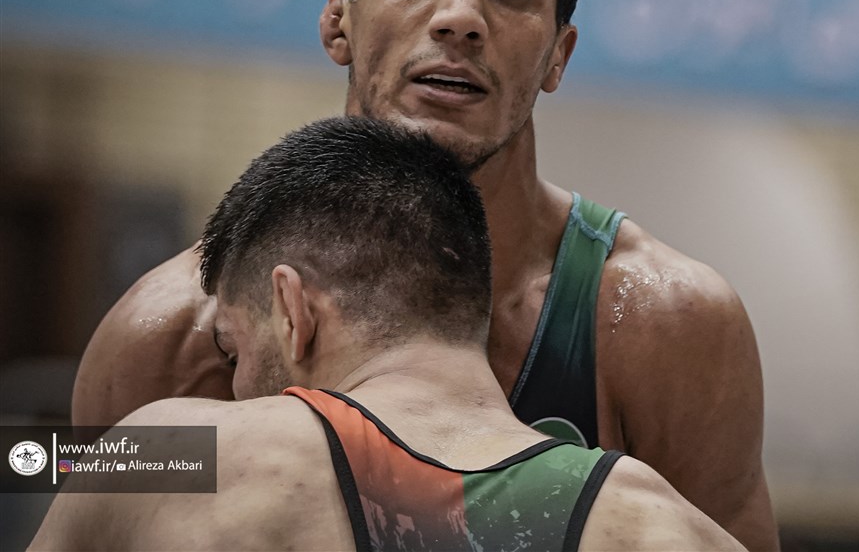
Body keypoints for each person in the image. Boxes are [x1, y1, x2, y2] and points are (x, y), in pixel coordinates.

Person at [72, 0, 778, 550]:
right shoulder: (166, 337)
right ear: (339, 23)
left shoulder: (667, 328)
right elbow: (68, 498)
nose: (461, 18)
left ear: (557, 56)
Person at [33, 117, 744, 552]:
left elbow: (31, 459)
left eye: (231, 348)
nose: (235, 382)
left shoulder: (172, 451)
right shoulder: (659, 523)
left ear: (292, 310)